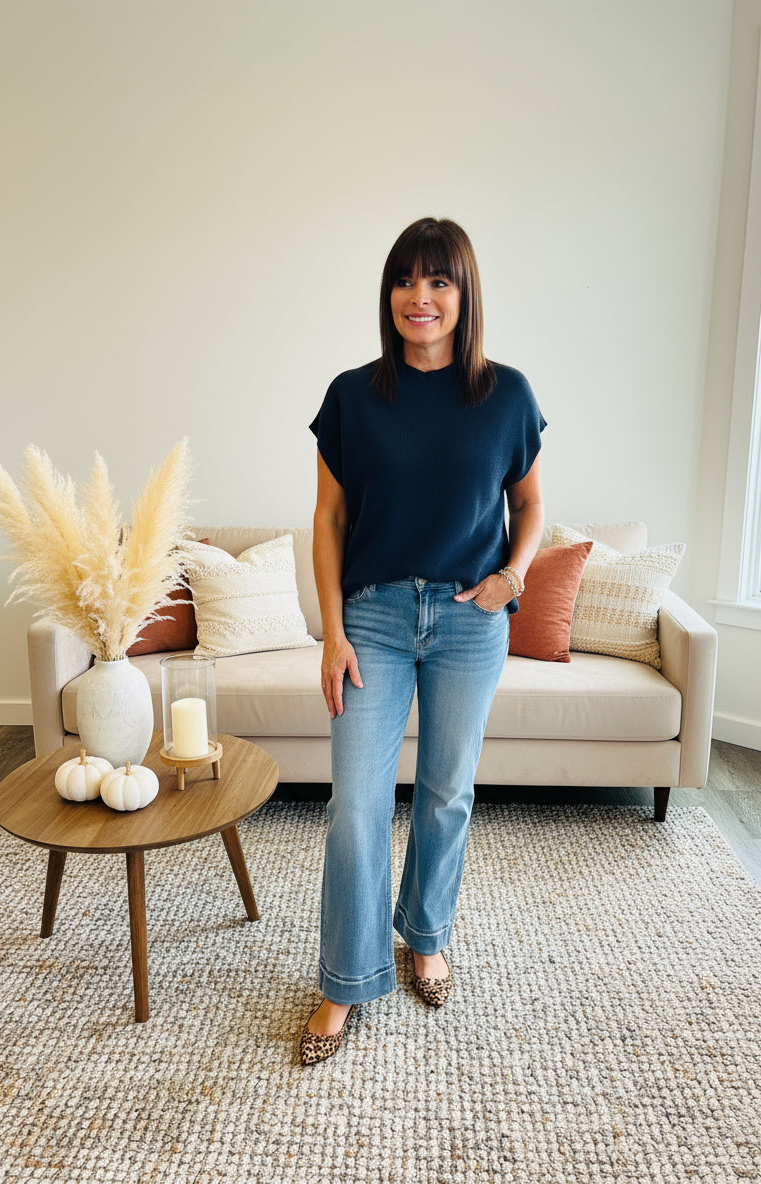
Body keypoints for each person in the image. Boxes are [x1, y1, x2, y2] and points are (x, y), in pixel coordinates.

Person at [302, 217, 545, 1065]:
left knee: (446, 793)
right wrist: (330, 631)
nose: (421, 295)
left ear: (464, 292)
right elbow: (329, 521)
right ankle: (345, 978)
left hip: (470, 620)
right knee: (356, 808)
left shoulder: (507, 395)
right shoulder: (353, 397)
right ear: (390, 294)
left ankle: (425, 936)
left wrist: (512, 576)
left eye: (439, 280)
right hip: (371, 613)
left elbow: (532, 505)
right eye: (407, 279)